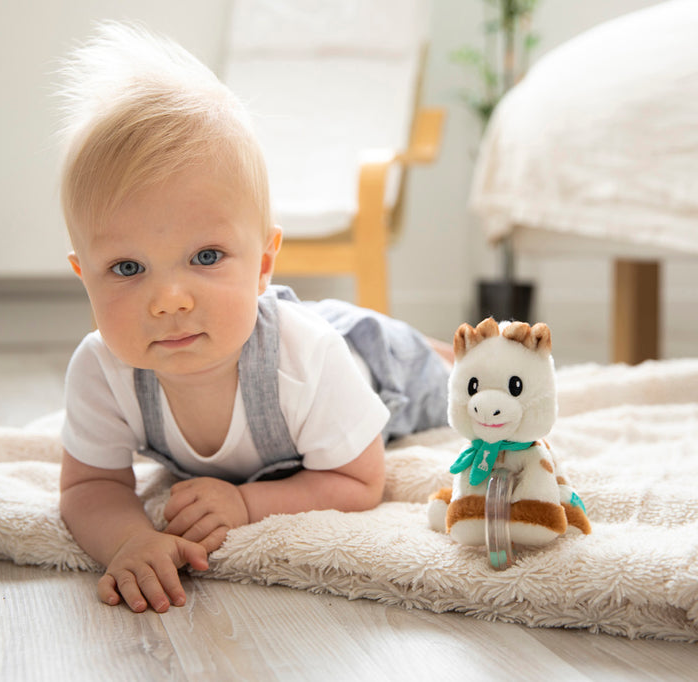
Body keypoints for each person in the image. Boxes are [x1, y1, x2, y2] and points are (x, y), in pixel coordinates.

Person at [56, 21, 451, 614]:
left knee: (451, 378)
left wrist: (248, 505)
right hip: (279, 336)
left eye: (206, 257)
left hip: (370, 366)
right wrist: (129, 540)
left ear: (264, 262)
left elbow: (360, 480)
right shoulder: (101, 369)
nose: (169, 300)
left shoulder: (307, 355)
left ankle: (440, 348)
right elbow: (89, 487)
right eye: (127, 268)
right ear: (83, 274)